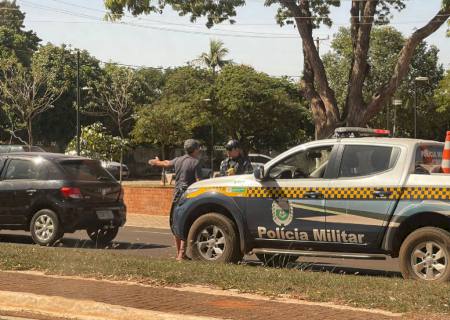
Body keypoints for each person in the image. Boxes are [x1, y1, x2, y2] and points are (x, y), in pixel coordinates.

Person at [148, 139, 202, 261]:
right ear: (194, 149)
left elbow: (166, 163)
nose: (199, 150)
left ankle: (179, 253)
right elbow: (199, 182)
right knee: (186, 223)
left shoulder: (178, 160)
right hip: (188, 196)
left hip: (176, 196)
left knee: (176, 224)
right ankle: (181, 255)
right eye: (198, 148)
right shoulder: (196, 163)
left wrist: (156, 162)